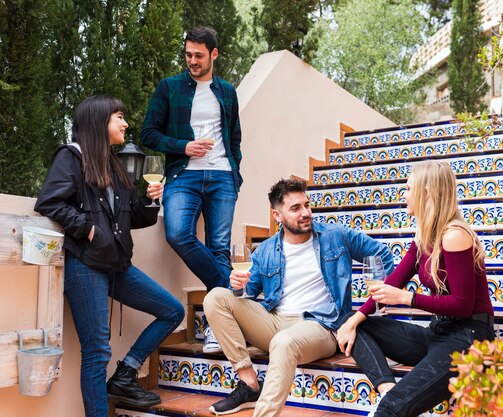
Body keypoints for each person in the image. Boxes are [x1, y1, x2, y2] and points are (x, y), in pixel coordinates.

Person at [35, 96, 185, 417]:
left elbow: (134, 217)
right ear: (100, 120)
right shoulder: (72, 157)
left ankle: (125, 373)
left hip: (118, 266)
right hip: (85, 266)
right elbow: (49, 202)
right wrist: (87, 229)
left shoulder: (113, 166)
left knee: (172, 310)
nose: (125, 123)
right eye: (119, 116)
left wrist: (150, 200)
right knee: (97, 352)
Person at [202, 178, 395, 417]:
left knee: (284, 342)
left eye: (306, 205)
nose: (305, 213)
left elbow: (381, 254)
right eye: (295, 208)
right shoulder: (265, 250)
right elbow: (248, 292)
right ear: (277, 215)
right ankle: (250, 384)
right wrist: (238, 286)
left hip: (320, 325)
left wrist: (383, 296)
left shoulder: (335, 235)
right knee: (215, 297)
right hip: (274, 322)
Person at [337, 160, 495, 417]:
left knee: (390, 411)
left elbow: (463, 305)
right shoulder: (424, 238)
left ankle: (391, 403)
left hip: (468, 337)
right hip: (437, 333)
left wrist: (408, 299)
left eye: (409, 188)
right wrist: (353, 320)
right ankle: (387, 388)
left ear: (427, 193)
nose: (404, 195)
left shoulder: (454, 236)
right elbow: (392, 282)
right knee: (354, 323)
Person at [141, 26, 242, 352]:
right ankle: (228, 293)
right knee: (178, 233)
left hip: (222, 177)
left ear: (214, 54)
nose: (192, 61)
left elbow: (235, 137)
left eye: (199, 55)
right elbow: (149, 134)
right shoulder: (170, 88)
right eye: (188, 54)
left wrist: (234, 170)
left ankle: (218, 326)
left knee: (219, 248)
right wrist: (184, 146)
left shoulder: (227, 91)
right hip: (183, 175)